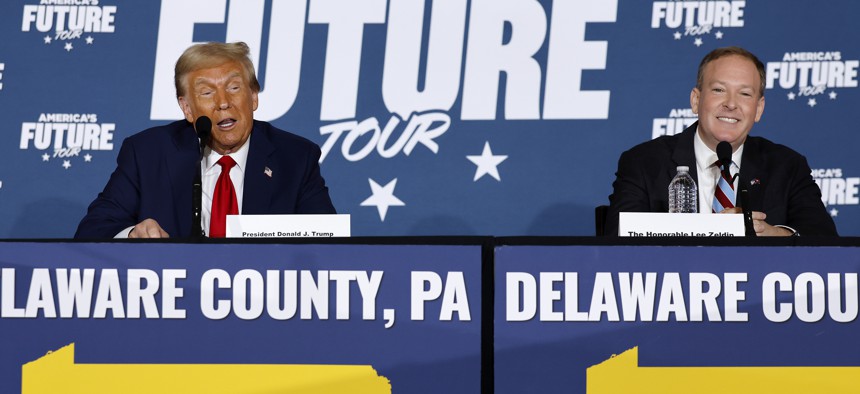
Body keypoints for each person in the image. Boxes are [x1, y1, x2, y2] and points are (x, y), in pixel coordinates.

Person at [75, 42, 336, 239]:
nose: (223, 102)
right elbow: (92, 230)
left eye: (234, 88)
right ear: (187, 108)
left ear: (253, 96)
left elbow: (329, 244)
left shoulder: (296, 158)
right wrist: (132, 234)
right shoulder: (148, 153)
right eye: (207, 92)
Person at [605, 46, 836, 237]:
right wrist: (714, 231)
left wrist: (771, 234)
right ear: (696, 100)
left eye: (745, 94)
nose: (731, 104)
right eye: (718, 90)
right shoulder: (644, 162)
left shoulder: (787, 166)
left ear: (759, 109)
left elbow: (824, 239)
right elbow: (616, 238)